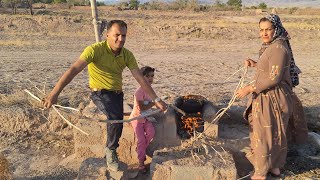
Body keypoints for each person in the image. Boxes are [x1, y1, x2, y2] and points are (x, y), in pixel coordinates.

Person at [42, 20, 167, 172]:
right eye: (117, 35)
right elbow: (74, 69)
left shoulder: (127, 55)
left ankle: (112, 149)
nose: (121, 39)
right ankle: (111, 151)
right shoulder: (94, 50)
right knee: (115, 119)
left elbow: (140, 79)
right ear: (107, 35)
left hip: (117, 94)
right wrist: (54, 94)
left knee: (118, 121)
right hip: (99, 92)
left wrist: (156, 99)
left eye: (124, 35)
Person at [235, 14, 301, 179]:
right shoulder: (274, 46)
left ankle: (260, 172)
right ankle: (275, 168)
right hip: (274, 96)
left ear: (276, 29)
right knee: (275, 132)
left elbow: (273, 78)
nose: (264, 33)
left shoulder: (278, 48)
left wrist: (249, 88)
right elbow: (273, 69)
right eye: (261, 30)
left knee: (264, 134)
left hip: (273, 97)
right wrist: (256, 64)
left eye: (268, 29)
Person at [129, 66, 156, 173]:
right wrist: (155, 103)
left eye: (152, 76)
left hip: (146, 117)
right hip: (137, 117)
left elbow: (151, 103)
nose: (150, 78)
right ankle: (141, 161)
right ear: (141, 77)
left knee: (151, 133)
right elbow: (142, 107)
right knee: (141, 139)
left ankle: (141, 149)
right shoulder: (139, 92)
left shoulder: (150, 90)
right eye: (147, 76)